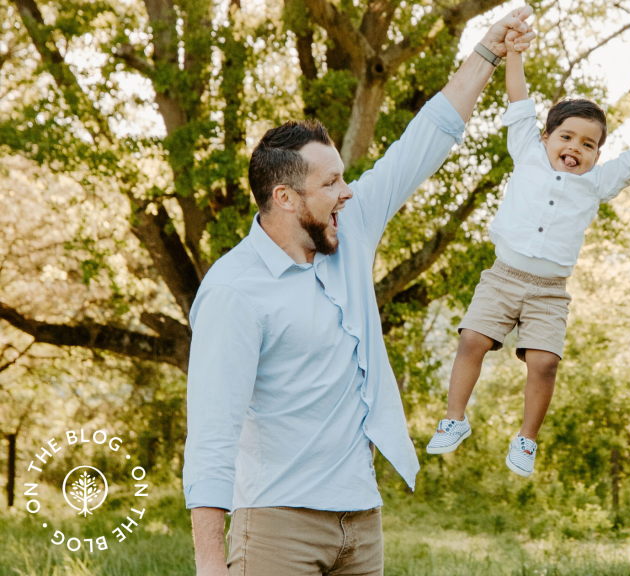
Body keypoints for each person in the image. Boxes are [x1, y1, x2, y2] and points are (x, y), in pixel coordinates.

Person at [181, 8, 538, 576]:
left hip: (361, 519)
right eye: (331, 183)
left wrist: (488, 52)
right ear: (285, 198)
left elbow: (425, 138)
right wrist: (209, 564)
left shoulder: (348, 231)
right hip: (277, 523)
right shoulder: (234, 290)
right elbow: (211, 433)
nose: (348, 192)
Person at [425, 27, 630, 478]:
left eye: (588, 145)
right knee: (472, 340)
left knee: (544, 364)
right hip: (502, 276)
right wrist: (514, 54)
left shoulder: (598, 182)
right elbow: (519, 101)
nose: (575, 149)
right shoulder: (525, 151)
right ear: (546, 137)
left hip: (549, 291)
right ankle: (455, 417)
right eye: (567, 137)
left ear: (596, 154)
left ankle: (526, 440)